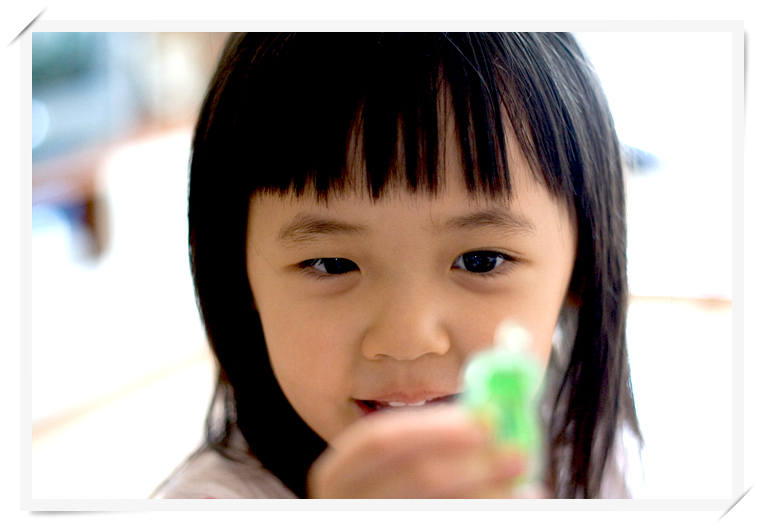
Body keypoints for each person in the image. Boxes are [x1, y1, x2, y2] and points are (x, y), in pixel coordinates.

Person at [152, 32, 643, 500]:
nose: (407, 339)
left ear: (582, 266)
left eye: (480, 261)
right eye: (332, 264)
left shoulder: (590, 455)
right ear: (239, 276)